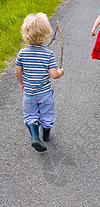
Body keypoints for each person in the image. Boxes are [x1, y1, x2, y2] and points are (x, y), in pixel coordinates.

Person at [15, 12, 64, 152]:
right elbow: (54, 75)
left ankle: (35, 136)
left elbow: (18, 71)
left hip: (29, 93)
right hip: (45, 94)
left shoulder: (22, 53)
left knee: (31, 115)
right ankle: (46, 135)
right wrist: (61, 72)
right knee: (47, 114)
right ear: (46, 34)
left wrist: (22, 83)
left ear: (25, 33)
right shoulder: (48, 54)